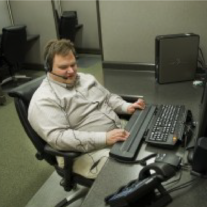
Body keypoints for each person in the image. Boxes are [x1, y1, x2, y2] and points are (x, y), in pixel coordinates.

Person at [28, 39, 145, 178]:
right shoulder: (44, 99)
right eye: (64, 67)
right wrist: (105, 138)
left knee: (153, 142)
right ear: (48, 67)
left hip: (117, 133)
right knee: (133, 171)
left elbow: (107, 98)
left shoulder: (85, 78)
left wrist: (126, 107)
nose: (71, 71)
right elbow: (58, 138)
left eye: (73, 64)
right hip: (84, 153)